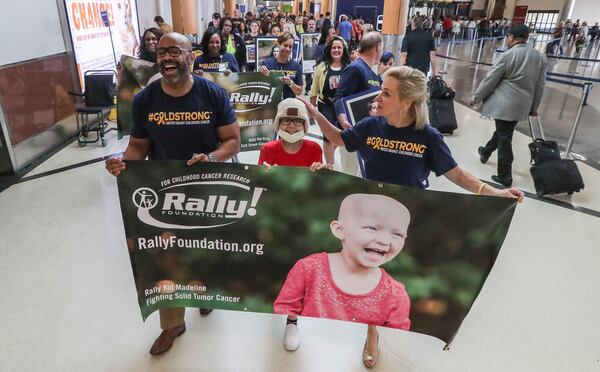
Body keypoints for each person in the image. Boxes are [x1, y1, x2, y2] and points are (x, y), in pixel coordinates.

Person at [301, 65, 523, 367]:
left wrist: (492, 193)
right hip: (371, 216)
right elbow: (340, 140)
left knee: (398, 279)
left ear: (406, 101)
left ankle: (392, 319)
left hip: (408, 218)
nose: (378, 96)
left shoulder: (427, 136)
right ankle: (372, 332)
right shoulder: (371, 125)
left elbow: (455, 173)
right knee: (371, 275)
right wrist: (315, 113)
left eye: (386, 92)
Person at [104, 32, 240, 356]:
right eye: (162, 52)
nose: (167, 57)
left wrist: (211, 157)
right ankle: (172, 324)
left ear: (191, 57)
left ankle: (205, 293)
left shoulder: (213, 95)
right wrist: (123, 163)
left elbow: (232, 141)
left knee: (205, 247)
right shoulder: (145, 100)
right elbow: (138, 146)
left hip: (208, 188)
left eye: (175, 51)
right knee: (166, 259)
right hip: (164, 192)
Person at [274, 194, 411, 353]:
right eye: (372, 228)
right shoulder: (309, 268)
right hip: (303, 356)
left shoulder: (395, 293)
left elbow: (395, 342)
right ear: (339, 230)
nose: (384, 241)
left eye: (397, 234)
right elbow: (285, 309)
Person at [473, 24, 547, 187]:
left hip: (505, 104)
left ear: (512, 37)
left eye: (508, 36)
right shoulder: (540, 57)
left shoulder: (508, 55)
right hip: (523, 105)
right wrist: (534, 107)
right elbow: (540, 85)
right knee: (504, 131)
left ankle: (505, 175)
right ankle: (485, 151)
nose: (507, 39)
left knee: (505, 137)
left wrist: (477, 97)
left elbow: (491, 79)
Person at [333, 31, 383, 176]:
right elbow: (339, 97)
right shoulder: (356, 68)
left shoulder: (372, 74)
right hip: (352, 132)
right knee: (349, 173)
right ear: (378, 47)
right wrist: (343, 120)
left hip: (367, 133)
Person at [310, 36, 352, 167]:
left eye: (339, 47)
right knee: (328, 137)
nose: (336, 50)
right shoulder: (321, 66)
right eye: (334, 47)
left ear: (343, 50)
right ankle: (329, 165)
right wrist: (312, 111)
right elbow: (314, 89)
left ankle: (332, 154)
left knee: (339, 136)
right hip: (325, 105)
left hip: (342, 107)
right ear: (329, 49)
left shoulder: (350, 67)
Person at [258, 98, 323, 169]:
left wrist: (324, 174)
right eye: (286, 120)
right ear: (278, 123)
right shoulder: (267, 149)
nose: (291, 125)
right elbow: (258, 178)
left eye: (298, 121)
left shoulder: (314, 149)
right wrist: (264, 175)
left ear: (305, 125)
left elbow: (316, 178)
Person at [259, 33, 303, 99]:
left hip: (288, 105)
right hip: (270, 104)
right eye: (285, 45)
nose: (287, 49)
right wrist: (260, 73)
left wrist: (290, 83)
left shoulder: (296, 66)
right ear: (279, 45)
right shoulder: (267, 63)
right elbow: (260, 87)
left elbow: (299, 92)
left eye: (290, 47)